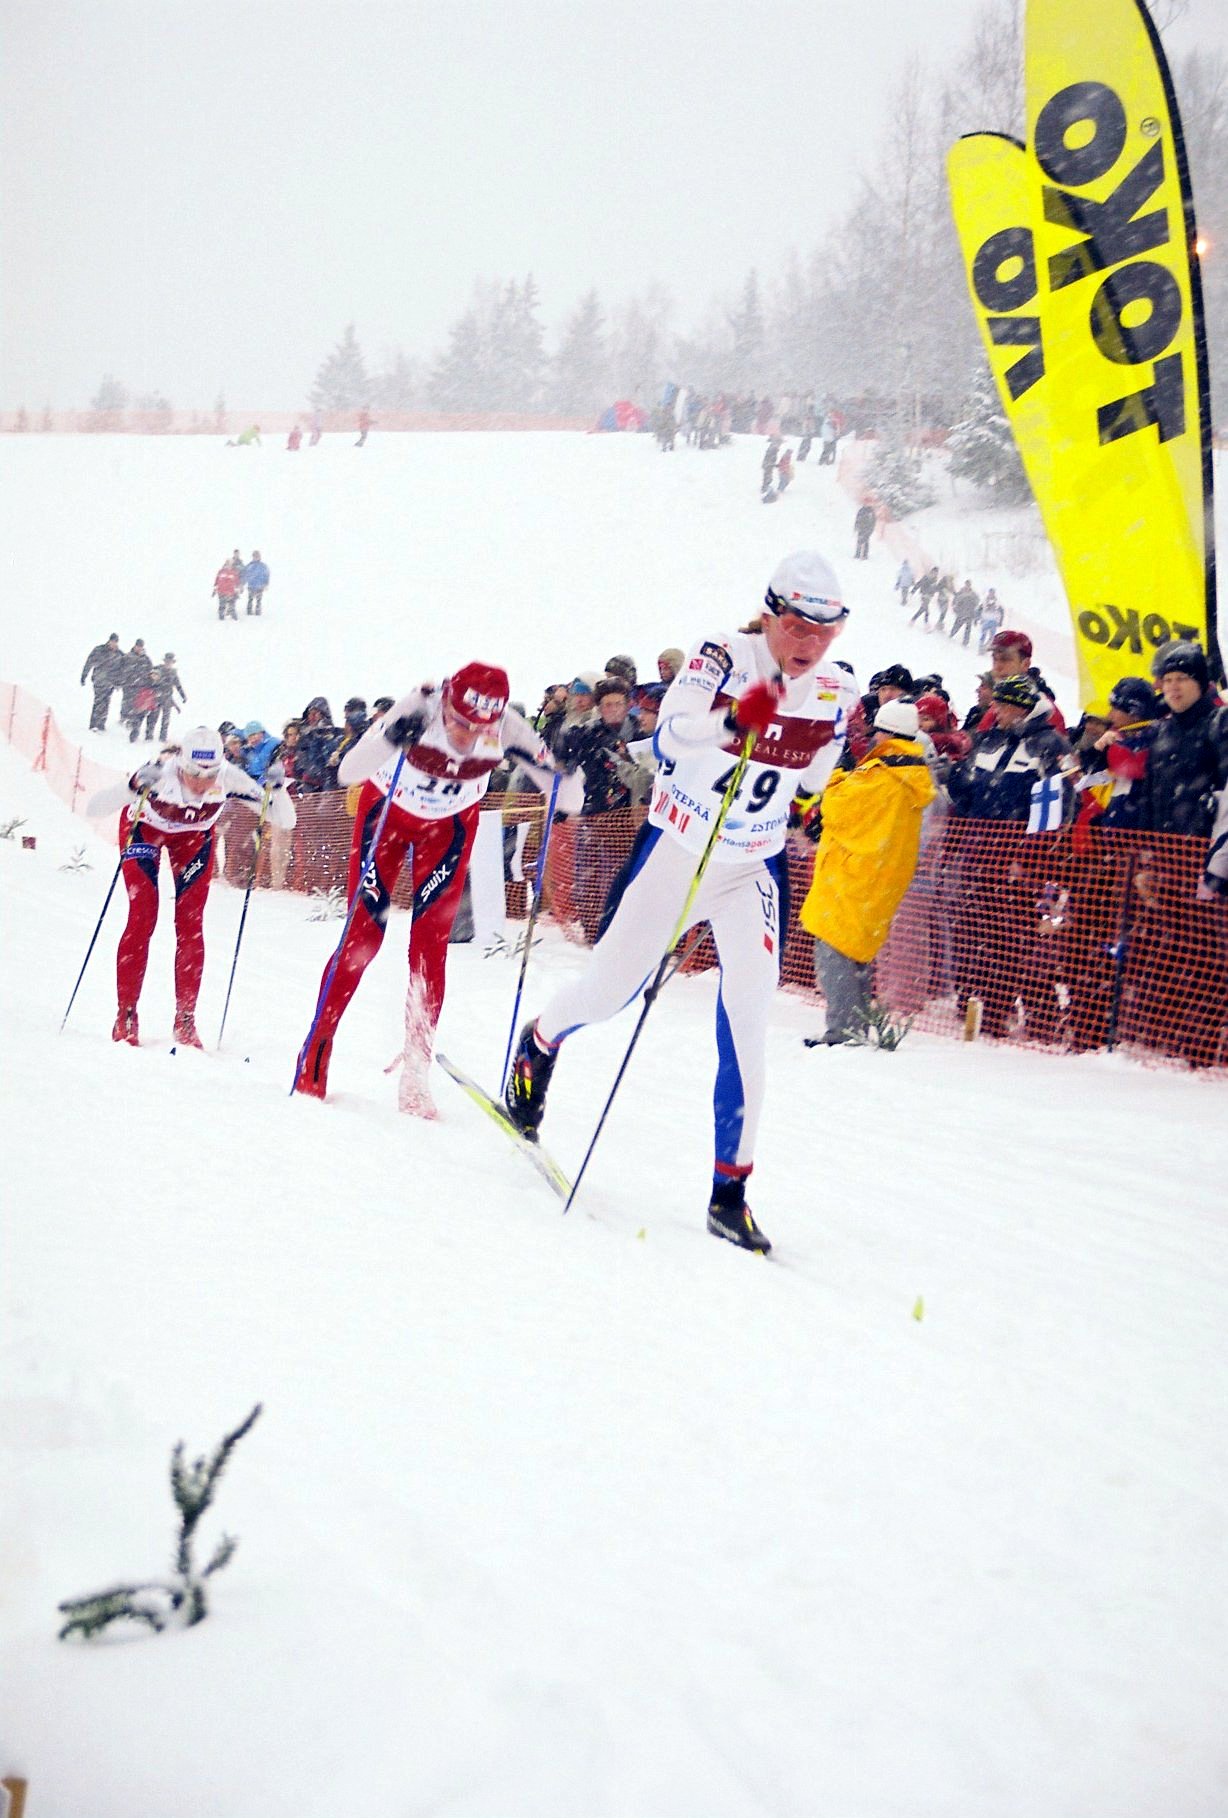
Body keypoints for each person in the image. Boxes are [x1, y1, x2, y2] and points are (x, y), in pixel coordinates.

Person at [504, 549, 860, 1255]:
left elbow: (819, 774)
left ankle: (731, 1191)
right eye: (798, 625)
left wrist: (795, 731)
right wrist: (737, 721)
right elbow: (669, 736)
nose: (811, 643)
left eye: (828, 630)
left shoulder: (836, 688)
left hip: (751, 866)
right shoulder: (722, 654)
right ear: (770, 613)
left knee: (749, 1022)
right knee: (612, 992)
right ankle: (539, 1042)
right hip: (681, 853)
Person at [292, 664, 576, 1115]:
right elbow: (349, 770)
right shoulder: (420, 706)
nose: (466, 735)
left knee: (430, 948)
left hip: (448, 828)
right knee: (361, 939)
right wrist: (390, 735)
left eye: (478, 728)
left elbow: (570, 797)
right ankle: (315, 1055)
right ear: (445, 703)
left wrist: (556, 768)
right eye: (459, 723)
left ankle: (416, 1073)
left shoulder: (509, 727)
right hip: (386, 813)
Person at [88, 726, 295, 1047]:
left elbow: (285, 820)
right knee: (142, 917)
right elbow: (94, 808)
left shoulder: (230, 777)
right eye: (193, 774)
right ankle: (126, 1014)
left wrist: (277, 789)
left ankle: (185, 1019)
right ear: (180, 765)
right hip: (144, 831)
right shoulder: (161, 774)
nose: (201, 783)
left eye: (209, 775)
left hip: (193, 840)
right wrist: (132, 785)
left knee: (191, 925)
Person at [800, 699, 935, 1044]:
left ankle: (843, 1030)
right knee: (855, 953)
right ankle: (854, 1025)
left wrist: (834, 777)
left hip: (855, 875)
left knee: (835, 951)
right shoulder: (909, 774)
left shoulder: (882, 775)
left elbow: (838, 807)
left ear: (886, 734)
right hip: (879, 876)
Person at [81, 633, 124, 732]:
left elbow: (123, 669)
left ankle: (101, 724)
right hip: (99, 680)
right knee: (98, 701)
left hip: (111, 682)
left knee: (106, 702)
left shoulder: (119, 654)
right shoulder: (99, 650)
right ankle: (93, 724)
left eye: (116, 642)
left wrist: (119, 682)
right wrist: (84, 675)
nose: (114, 643)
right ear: (109, 641)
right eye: (112, 641)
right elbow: (89, 662)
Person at [119, 639, 152, 729]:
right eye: (138, 646)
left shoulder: (146, 659)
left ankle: (132, 721)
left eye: (141, 646)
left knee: (136, 704)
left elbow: (150, 672)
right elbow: (120, 669)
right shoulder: (127, 657)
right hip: (128, 684)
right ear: (135, 646)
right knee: (126, 702)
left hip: (140, 685)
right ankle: (123, 718)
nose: (139, 648)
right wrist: (120, 680)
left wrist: (149, 684)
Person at [949, 580, 980, 646]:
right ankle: (951, 634)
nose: (967, 586)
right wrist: (954, 607)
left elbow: (977, 602)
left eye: (968, 585)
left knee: (968, 628)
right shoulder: (961, 592)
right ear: (965, 584)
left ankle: (965, 641)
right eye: (966, 584)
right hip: (961, 612)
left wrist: (973, 607)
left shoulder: (973, 594)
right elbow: (955, 599)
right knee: (957, 625)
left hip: (969, 613)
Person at [242, 551, 270, 615]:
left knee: (258, 600)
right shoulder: (250, 565)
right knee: (250, 599)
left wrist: (266, 584)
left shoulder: (263, 566)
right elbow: (245, 574)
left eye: (257, 556)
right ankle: (249, 611)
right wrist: (242, 583)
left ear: (259, 557)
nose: (256, 557)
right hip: (251, 585)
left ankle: (258, 611)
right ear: (252, 557)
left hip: (260, 586)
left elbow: (266, 575)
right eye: (254, 556)